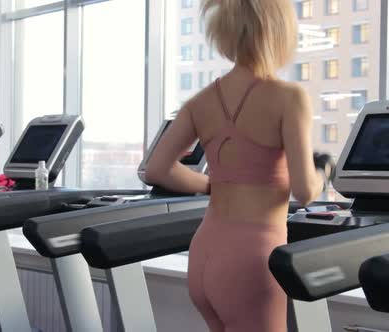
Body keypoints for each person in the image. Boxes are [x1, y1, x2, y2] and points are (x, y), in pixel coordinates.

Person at [144, 0, 329, 330]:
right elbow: (304, 191)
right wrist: (324, 171)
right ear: (279, 30)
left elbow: (156, 169)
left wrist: (210, 184)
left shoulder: (199, 102)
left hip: (203, 255)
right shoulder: (289, 97)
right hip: (251, 261)